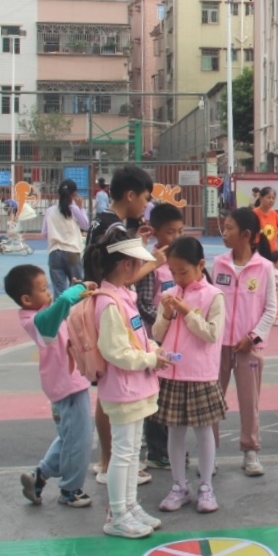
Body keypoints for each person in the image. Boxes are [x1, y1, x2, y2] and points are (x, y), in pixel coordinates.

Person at [83, 227, 171, 538]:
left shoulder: (122, 296)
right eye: (137, 262)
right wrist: (150, 359)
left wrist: (153, 350)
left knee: (132, 450)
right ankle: (117, 513)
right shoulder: (109, 302)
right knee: (123, 452)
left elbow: (135, 338)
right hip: (123, 387)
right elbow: (114, 351)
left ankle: (129, 506)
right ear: (125, 265)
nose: (140, 268)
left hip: (134, 386)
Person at [86, 165, 157, 484]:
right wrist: (157, 261)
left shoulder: (102, 220)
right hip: (108, 307)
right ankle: (110, 460)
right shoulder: (112, 228)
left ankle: (109, 459)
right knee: (110, 390)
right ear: (130, 195)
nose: (146, 204)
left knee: (106, 390)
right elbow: (121, 277)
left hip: (97, 303)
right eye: (144, 197)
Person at [6, 265, 95, 508]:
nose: (49, 293)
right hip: (68, 385)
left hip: (67, 382)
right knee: (80, 440)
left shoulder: (43, 311)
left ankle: (40, 475)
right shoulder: (38, 321)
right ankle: (70, 489)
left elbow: (66, 305)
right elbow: (66, 298)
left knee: (69, 436)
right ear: (26, 299)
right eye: (44, 289)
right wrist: (81, 287)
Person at [155, 236, 228, 514]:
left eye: (183, 272)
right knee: (175, 431)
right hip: (172, 373)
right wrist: (166, 313)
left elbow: (211, 334)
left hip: (200, 374)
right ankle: (179, 486)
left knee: (203, 430)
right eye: (173, 272)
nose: (178, 278)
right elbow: (158, 335)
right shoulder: (171, 293)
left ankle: (206, 486)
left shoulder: (213, 296)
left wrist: (186, 312)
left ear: (201, 265)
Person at [214, 207, 277, 477]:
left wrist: (252, 337)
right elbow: (211, 302)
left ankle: (250, 451)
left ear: (247, 234)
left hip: (249, 348)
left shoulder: (265, 268)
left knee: (249, 402)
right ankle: (210, 452)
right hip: (216, 347)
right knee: (212, 401)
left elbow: (271, 309)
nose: (224, 233)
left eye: (229, 228)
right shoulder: (218, 263)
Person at [135, 202, 184, 471]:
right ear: (155, 233)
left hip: (177, 337)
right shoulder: (150, 264)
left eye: (180, 231)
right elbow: (143, 303)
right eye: (170, 232)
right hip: (155, 338)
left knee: (172, 393)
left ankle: (171, 447)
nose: (175, 238)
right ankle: (157, 450)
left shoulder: (182, 261)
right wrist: (166, 322)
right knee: (155, 393)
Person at [44, 179, 90, 299]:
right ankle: (76, 315)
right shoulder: (73, 209)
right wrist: (81, 208)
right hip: (72, 251)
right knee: (77, 288)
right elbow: (85, 225)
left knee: (59, 290)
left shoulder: (49, 211)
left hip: (54, 252)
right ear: (74, 194)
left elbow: (44, 233)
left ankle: (61, 316)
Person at [254, 186, 278, 254]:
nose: (271, 200)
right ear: (261, 198)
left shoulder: (274, 213)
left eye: (273, 198)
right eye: (268, 197)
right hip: (259, 250)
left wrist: (276, 233)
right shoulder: (254, 213)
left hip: (273, 250)